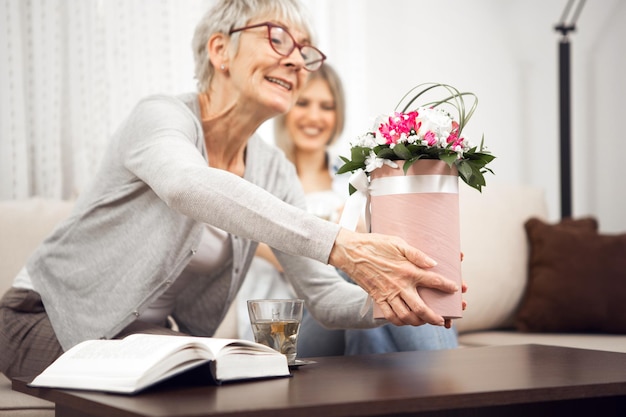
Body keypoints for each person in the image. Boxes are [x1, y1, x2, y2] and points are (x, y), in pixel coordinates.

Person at [0, 0, 462, 379]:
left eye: (305, 52)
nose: (296, 61)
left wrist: (394, 298)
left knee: (246, 381)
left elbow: (323, 297)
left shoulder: (272, 168)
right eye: (278, 39)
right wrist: (342, 245)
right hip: (44, 319)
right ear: (220, 50)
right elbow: (186, 185)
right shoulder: (161, 117)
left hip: (142, 340)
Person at [237, 63, 458, 355]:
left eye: (326, 106)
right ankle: (446, 367)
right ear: (286, 107)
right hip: (286, 329)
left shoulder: (356, 179)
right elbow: (279, 251)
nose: (314, 116)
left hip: (349, 315)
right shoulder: (263, 178)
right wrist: (346, 242)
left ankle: (400, 387)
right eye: (303, 103)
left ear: (338, 114)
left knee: (379, 279)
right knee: (364, 267)